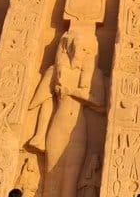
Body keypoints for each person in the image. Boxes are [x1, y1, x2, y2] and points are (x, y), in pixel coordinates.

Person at [27, 27, 105, 197]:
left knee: (71, 177)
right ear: (68, 48)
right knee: (51, 175)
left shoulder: (93, 74)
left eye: (86, 50)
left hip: (77, 129)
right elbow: (38, 101)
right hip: (57, 126)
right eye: (79, 48)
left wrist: (72, 92)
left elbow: (99, 103)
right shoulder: (55, 71)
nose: (82, 53)